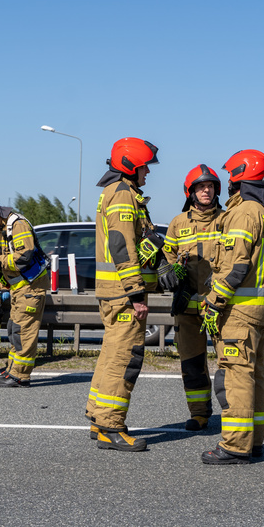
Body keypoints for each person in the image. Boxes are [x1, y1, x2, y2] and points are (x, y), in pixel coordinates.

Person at [85, 137, 178, 452]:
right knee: (125, 359)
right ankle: (111, 426)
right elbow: (122, 247)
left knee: (112, 355)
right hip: (123, 294)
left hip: (114, 292)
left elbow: (135, 242)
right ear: (129, 166)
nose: (147, 173)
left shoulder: (116, 193)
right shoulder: (124, 197)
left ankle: (99, 420)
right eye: (144, 167)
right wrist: (137, 294)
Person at [199, 149, 264, 465]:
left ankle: (235, 445)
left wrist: (214, 302)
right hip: (258, 310)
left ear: (237, 177)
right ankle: (254, 440)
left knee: (237, 376)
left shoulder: (244, 212)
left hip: (239, 310)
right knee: (253, 374)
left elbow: (236, 266)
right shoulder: (262, 211)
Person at [161, 165, 224, 430]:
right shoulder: (178, 223)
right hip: (187, 307)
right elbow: (167, 255)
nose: (206, 190)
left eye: (210, 186)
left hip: (220, 306)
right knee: (191, 362)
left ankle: (240, 412)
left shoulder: (228, 219)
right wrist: (167, 270)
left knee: (231, 363)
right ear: (191, 192)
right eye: (200, 186)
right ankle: (199, 414)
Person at [0, 199, 50, 387]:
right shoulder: (5, 226)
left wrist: (0, 260)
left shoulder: (17, 225)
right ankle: (12, 370)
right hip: (20, 288)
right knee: (15, 329)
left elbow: (25, 256)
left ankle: (20, 376)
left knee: (23, 333)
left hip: (30, 288)